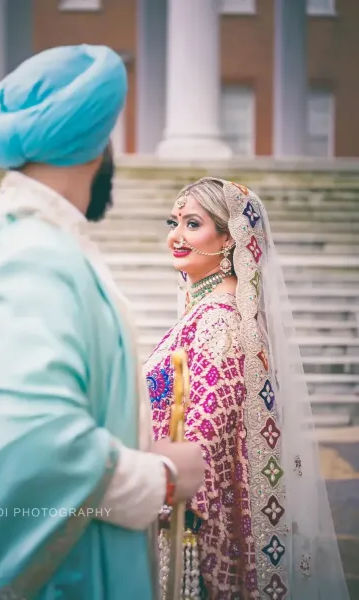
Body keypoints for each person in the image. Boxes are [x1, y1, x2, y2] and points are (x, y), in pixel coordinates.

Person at [0, 45, 205, 600]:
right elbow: (37, 448)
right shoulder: (24, 250)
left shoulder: (33, 238)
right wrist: (163, 479)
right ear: (97, 148)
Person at [145, 178, 350, 599]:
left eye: (192, 223)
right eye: (174, 221)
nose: (175, 236)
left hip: (190, 521)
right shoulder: (207, 312)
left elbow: (204, 436)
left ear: (228, 239)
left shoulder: (219, 321)